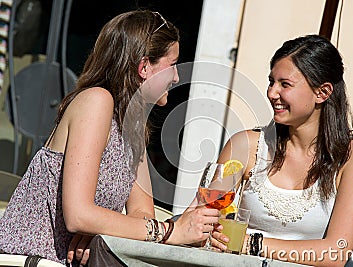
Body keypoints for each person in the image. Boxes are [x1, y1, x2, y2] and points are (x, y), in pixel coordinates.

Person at [0, 10, 221, 266]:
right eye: (172, 65)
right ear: (144, 66)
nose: (176, 77)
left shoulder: (132, 124)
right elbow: (79, 215)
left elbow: (142, 213)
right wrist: (172, 232)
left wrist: (100, 230)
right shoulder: (96, 101)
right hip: (32, 259)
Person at [216, 34, 353, 266]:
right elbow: (204, 220)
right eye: (271, 81)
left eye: (285, 84)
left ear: (322, 92)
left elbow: (336, 254)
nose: (272, 93)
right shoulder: (246, 145)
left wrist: (251, 243)